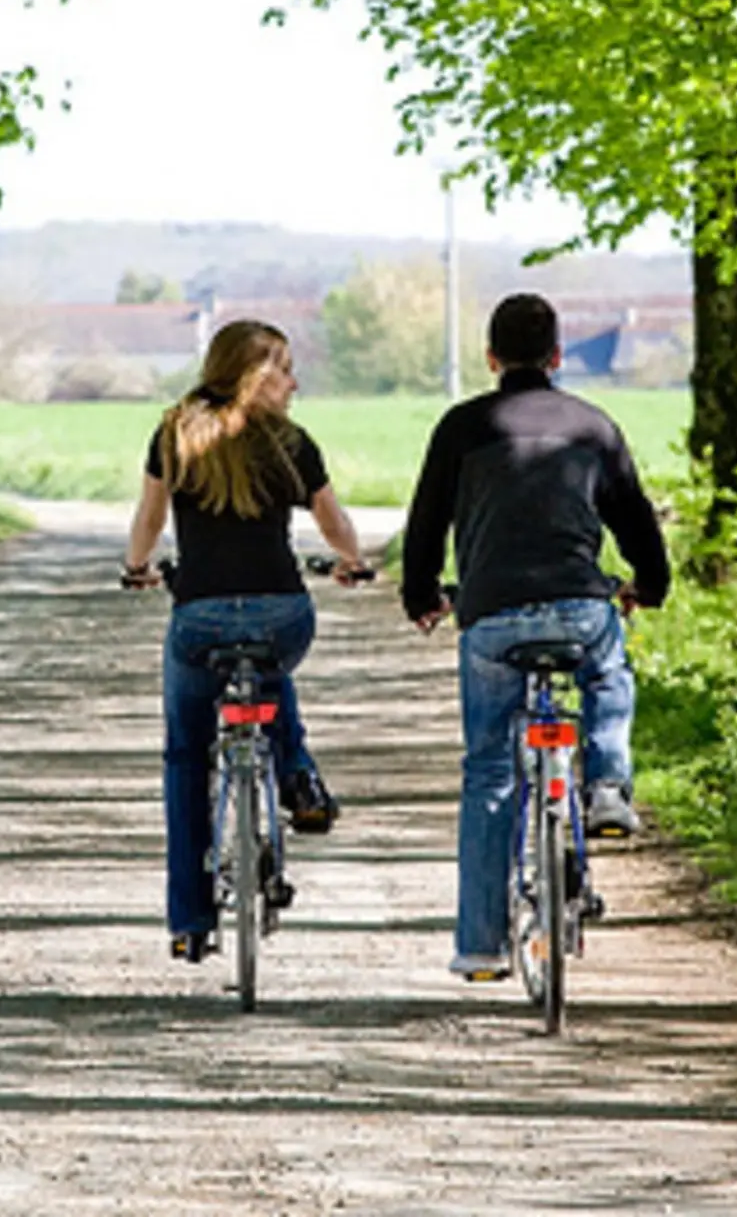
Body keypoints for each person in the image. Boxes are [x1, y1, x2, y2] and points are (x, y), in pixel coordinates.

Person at [401, 292, 670, 982]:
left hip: (490, 616)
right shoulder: (593, 425)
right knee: (608, 673)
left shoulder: (460, 427)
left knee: (490, 771)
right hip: (580, 608)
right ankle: (608, 783)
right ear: (557, 357)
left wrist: (422, 594)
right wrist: (651, 585)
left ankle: (481, 946)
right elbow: (635, 520)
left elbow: (427, 521)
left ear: (491, 359)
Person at [124, 319, 371, 963]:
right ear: (251, 375)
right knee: (267, 662)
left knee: (186, 756)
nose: (293, 383)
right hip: (283, 612)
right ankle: (296, 773)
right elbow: (333, 521)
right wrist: (353, 560)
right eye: (283, 369)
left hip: (199, 616)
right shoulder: (290, 443)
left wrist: (136, 567)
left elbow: (150, 517)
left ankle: (188, 919)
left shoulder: (175, 432)